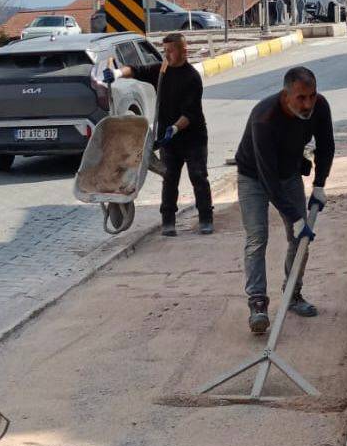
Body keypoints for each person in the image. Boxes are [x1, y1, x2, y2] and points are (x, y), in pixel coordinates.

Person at [234, 66, 334, 334]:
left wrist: (320, 184)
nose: (308, 103)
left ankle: (293, 293)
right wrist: (295, 217)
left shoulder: (319, 107)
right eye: (301, 98)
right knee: (257, 238)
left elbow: (326, 146)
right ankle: (257, 302)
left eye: (312, 95)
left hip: (289, 171)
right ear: (286, 95)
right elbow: (268, 178)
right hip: (254, 176)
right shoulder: (264, 118)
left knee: (300, 239)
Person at [103, 33, 213, 236]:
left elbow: (190, 113)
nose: (167, 55)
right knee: (169, 178)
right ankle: (168, 221)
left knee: (198, 177)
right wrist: (117, 73)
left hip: (193, 138)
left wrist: (174, 128)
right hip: (167, 140)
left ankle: (206, 218)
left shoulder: (192, 77)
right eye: (165, 51)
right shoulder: (161, 70)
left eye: (171, 51)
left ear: (184, 51)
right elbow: (137, 70)